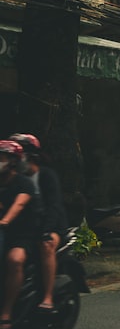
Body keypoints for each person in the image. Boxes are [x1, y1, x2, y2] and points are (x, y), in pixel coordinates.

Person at [10, 133, 67, 314]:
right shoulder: (14, 179)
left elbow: (54, 206)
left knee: (46, 246)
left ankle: (47, 297)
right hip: (25, 228)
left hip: (51, 226)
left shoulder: (47, 176)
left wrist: (47, 230)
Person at [0, 140, 42, 329]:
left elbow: (19, 204)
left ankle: (6, 313)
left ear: (13, 162)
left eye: (2, 158)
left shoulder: (23, 182)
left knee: (14, 260)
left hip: (22, 234)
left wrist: (5, 221)